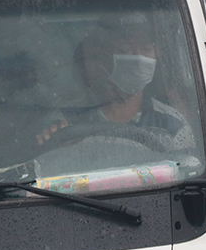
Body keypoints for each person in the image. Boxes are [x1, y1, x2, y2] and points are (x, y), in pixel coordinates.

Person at [36, 12, 195, 154]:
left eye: (146, 49)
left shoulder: (172, 123)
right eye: (126, 48)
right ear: (103, 57)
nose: (138, 58)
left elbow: (188, 174)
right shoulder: (66, 119)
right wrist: (57, 143)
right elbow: (50, 172)